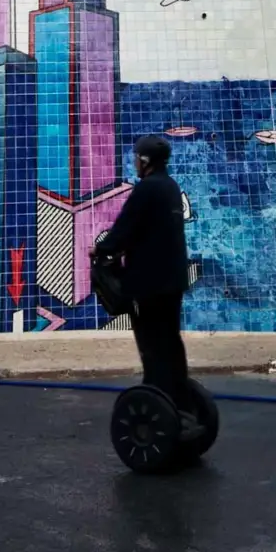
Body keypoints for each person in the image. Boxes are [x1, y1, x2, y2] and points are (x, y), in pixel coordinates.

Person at [94, 134, 192, 405]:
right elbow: (150, 230)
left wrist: (102, 249)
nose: (134, 162)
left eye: (137, 157)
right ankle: (177, 392)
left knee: (151, 343)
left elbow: (125, 228)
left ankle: (156, 392)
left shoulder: (146, 189)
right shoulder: (170, 186)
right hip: (173, 281)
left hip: (149, 284)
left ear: (145, 161)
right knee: (170, 340)